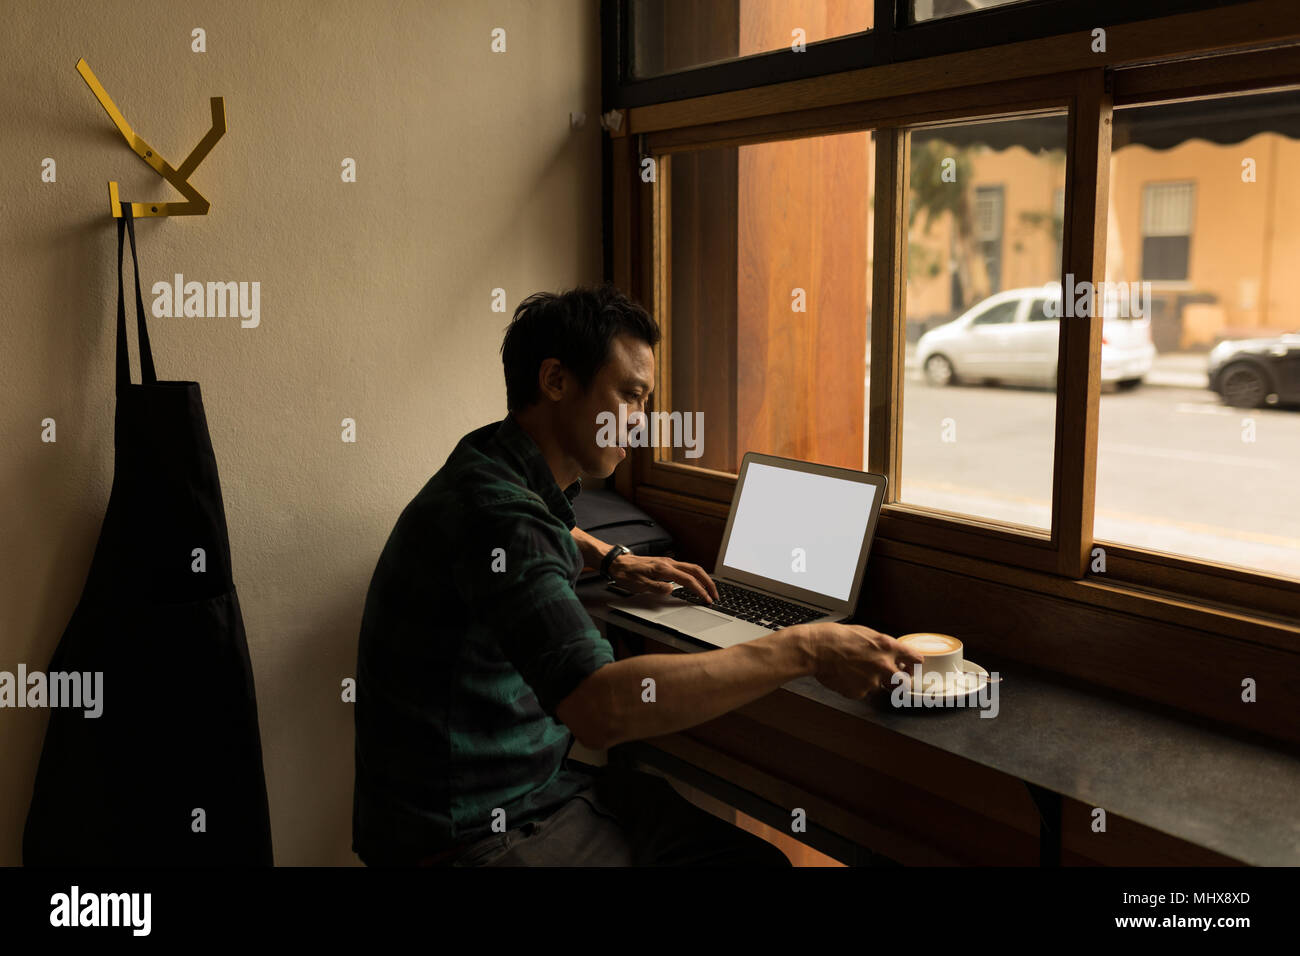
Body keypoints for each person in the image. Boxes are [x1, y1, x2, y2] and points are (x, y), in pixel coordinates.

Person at [351, 283, 921, 866]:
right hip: (472, 830)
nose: (640, 424)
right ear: (555, 381)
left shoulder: (486, 461)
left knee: (659, 800)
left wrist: (611, 558)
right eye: (630, 395)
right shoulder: (502, 520)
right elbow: (599, 711)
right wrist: (806, 648)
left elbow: (540, 521)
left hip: (460, 798)